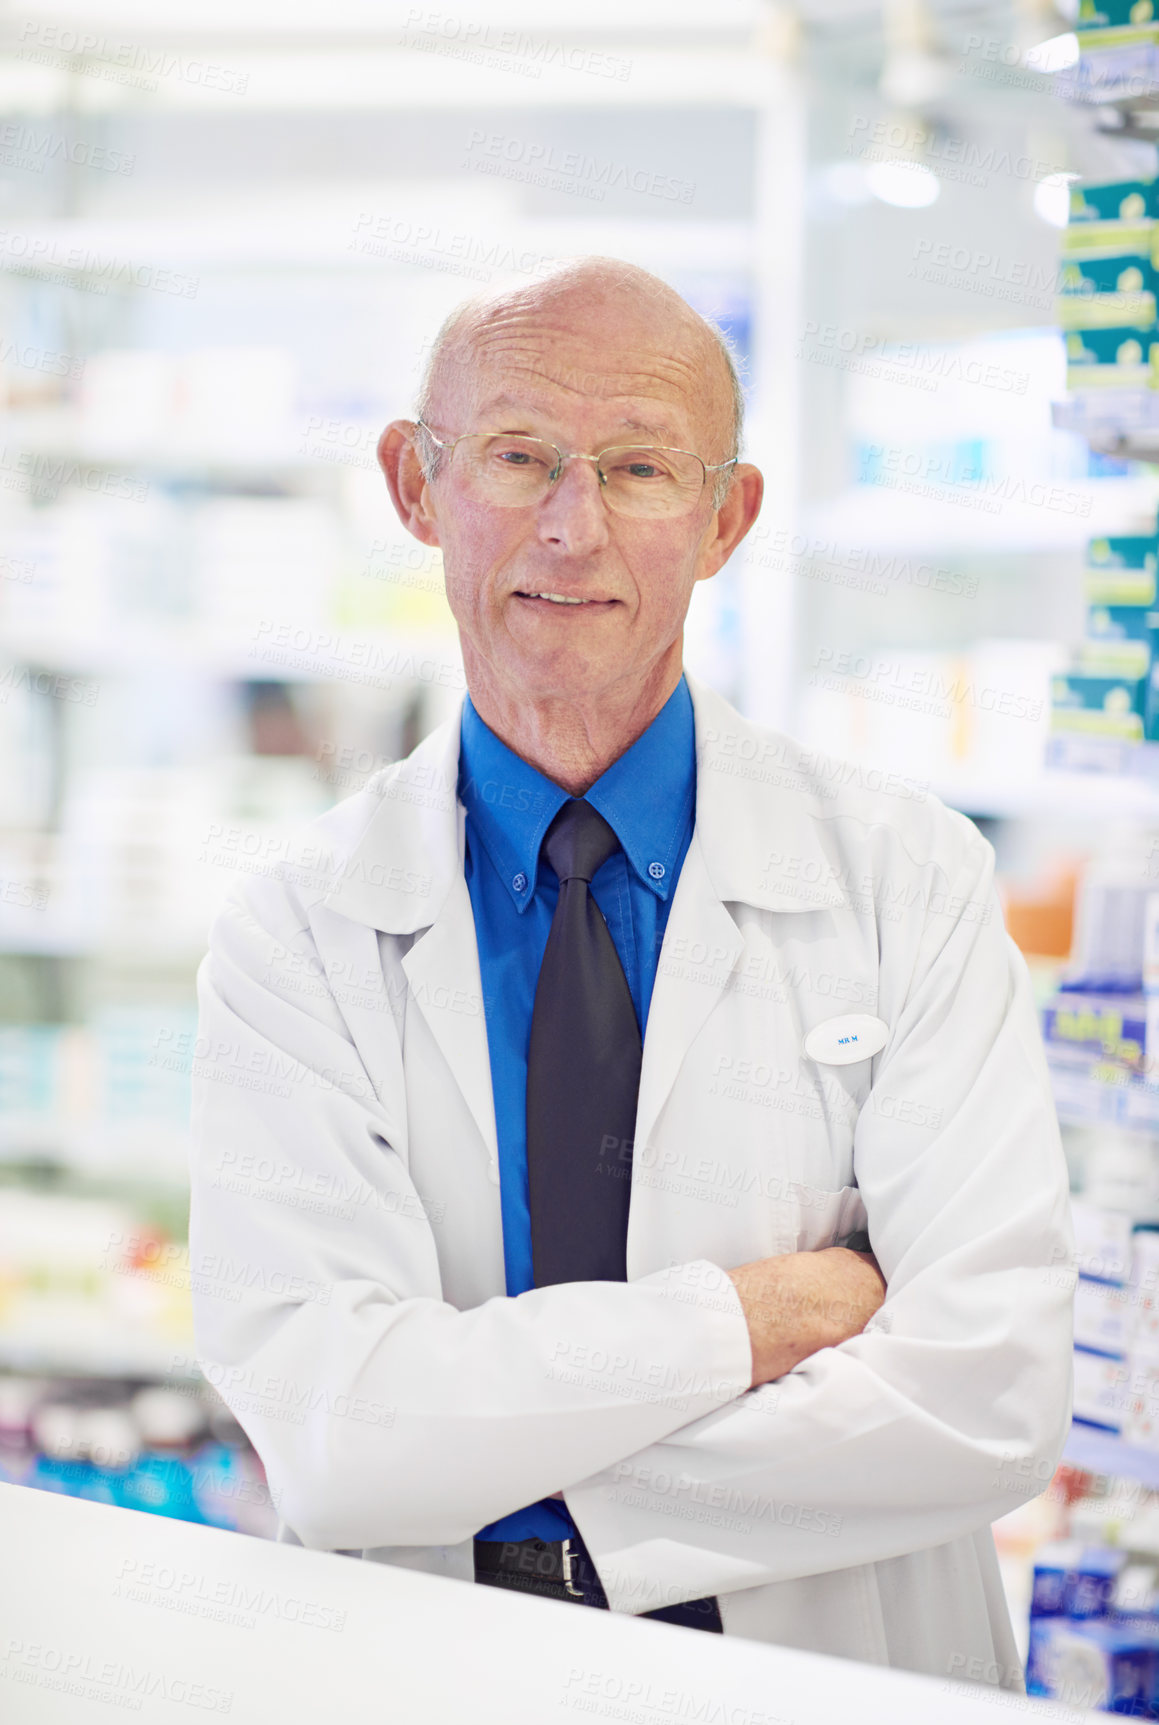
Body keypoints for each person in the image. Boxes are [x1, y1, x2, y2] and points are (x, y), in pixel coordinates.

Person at [189, 256, 1073, 1684]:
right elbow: (339, 1437)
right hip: (431, 1676)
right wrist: (764, 1313)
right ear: (417, 486)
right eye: (520, 455)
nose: (572, 527)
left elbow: (990, 1392)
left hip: (827, 1676)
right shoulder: (295, 932)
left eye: (642, 468)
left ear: (726, 519)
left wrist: (516, 1487)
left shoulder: (910, 879)